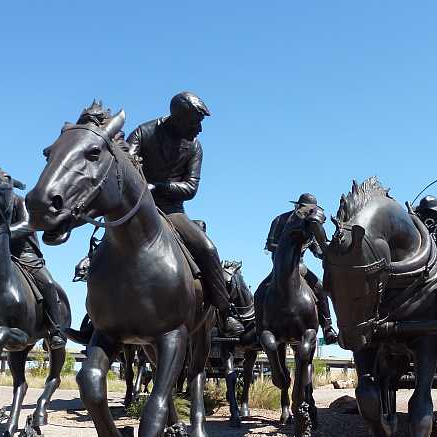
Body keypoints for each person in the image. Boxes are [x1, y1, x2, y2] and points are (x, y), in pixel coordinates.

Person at [126, 91, 243, 336]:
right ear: (179, 117)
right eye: (196, 122)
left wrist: (158, 187)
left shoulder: (195, 148)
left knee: (208, 249)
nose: (199, 129)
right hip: (137, 208)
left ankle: (224, 311)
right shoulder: (143, 132)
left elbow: (190, 188)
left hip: (172, 212)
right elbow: (126, 165)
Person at [264, 193, 339, 345]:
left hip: (300, 265)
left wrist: (328, 253)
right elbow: (270, 245)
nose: (309, 212)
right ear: (297, 206)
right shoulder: (280, 220)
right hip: (280, 265)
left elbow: (317, 249)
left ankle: (327, 327)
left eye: (312, 209)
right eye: (306, 208)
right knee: (260, 293)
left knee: (321, 290)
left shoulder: (310, 224)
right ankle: (259, 328)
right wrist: (289, 247)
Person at [8, 194, 66, 348]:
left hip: (26, 256)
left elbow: (29, 224)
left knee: (47, 283)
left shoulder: (18, 202)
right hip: (3, 256)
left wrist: (2, 231)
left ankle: (55, 331)